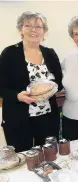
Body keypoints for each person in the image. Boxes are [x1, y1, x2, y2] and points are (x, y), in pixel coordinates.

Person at [0, 11, 63, 152]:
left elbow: (59, 81)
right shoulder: (9, 53)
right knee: (23, 158)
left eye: (38, 26)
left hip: (47, 117)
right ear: (21, 29)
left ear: (44, 31)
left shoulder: (50, 54)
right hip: (19, 118)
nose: (33, 30)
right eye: (28, 25)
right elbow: (1, 87)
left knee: (49, 154)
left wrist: (52, 87)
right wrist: (18, 96)